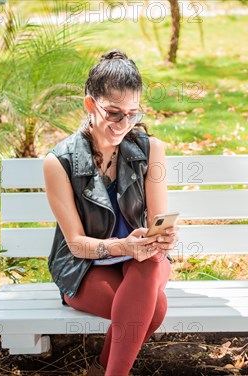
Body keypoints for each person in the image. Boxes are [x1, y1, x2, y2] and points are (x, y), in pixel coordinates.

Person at [43, 49, 178, 376]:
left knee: (146, 265)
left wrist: (163, 238)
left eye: (132, 113)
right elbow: (75, 244)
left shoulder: (149, 149)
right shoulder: (59, 162)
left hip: (142, 262)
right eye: (114, 113)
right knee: (154, 308)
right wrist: (122, 247)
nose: (124, 123)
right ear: (90, 105)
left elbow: (157, 223)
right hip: (85, 267)